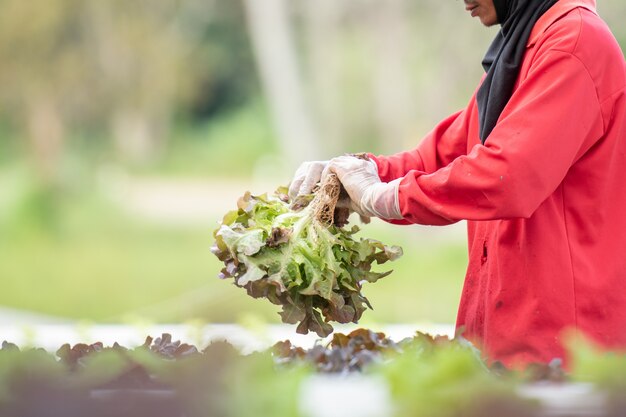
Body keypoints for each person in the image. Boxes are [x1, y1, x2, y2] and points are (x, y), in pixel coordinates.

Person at [288, 0, 626, 368]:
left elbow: (506, 176)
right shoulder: (525, 45)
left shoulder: (573, 43)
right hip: (508, 333)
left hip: (564, 346)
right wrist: (357, 171)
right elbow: (444, 155)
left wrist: (383, 197)